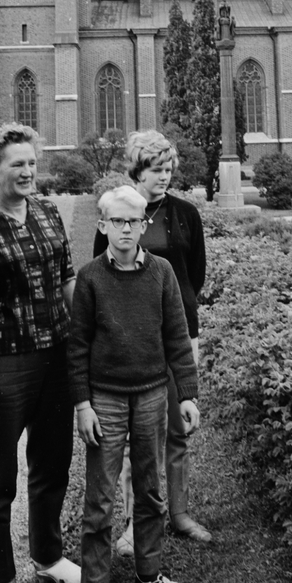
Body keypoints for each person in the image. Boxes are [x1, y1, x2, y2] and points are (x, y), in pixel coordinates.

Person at [0, 123, 81, 583]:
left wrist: (84, 340)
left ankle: (48, 555)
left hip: (56, 356)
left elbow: (68, 279)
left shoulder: (51, 213)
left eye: (32, 162)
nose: (28, 171)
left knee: (52, 464)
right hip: (4, 362)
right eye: (17, 164)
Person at [70, 185, 201, 583]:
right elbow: (78, 347)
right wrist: (82, 404)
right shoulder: (89, 278)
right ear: (103, 225)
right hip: (104, 399)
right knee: (101, 498)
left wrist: (186, 394)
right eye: (117, 221)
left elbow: (177, 338)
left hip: (150, 396)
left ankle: (149, 572)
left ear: (144, 224)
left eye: (135, 221)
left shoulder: (162, 272)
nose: (126, 229)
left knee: (150, 489)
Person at [93, 130, 211, 549]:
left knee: (178, 425)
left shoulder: (185, 213)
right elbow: (101, 275)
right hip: (134, 336)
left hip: (180, 333)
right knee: (135, 434)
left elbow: (194, 274)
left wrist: (180, 314)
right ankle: (134, 521)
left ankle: (178, 513)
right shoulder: (117, 212)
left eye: (168, 169)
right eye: (156, 170)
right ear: (137, 171)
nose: (164, 177)